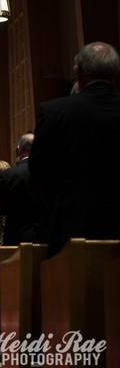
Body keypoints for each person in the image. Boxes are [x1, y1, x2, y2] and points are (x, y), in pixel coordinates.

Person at [30, 41, 120, 255]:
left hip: (71, 230)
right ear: (116, 74)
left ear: (78, 75)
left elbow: (39, 172)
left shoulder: (55, 112)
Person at [0, 133, 37, 246]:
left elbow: (0, 208)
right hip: (42, 235)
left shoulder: (9, 174)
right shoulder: (48, 172)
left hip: (16, 235)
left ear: (18, 150)